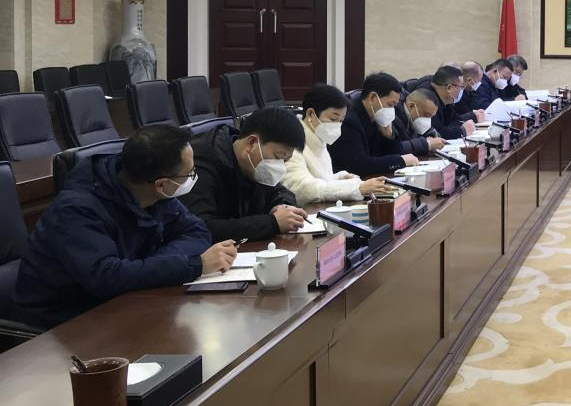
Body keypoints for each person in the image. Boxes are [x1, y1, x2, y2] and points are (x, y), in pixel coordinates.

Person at [14, 125, 234, 329]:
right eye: (190, 173)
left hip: (124, 302)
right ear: (161, 184)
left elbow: (197, 231)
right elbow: (106, 277)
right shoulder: (75, 210)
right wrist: (194, 265)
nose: (193, 178)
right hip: (63, 322)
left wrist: (152, 266)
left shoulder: (154, 193)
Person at [183, 106, 309, 241]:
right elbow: (203, 228)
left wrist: (283, 206)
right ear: (252, 143)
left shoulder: (254, 164)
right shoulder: (201, 164)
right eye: (278, 157)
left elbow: (280, 192)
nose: (280, 166)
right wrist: (272, 223)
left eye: (285, 161)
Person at [282, 85, 389, 206]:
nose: (337, 125)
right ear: (311, 114)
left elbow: (319, 179)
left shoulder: (318, 138)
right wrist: (356, 188)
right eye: (333, 119)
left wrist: (340, 177)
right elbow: (301, 189)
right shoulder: (292, 143)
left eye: (341, 120)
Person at [329, 73, 420, 177]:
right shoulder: (349, 120)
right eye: (390, 104)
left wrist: (388, 136)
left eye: (394, 106)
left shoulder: (378, 116)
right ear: (372, 98)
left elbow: (392, 153)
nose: (392, 110)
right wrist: (400, 160)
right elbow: (358, 164)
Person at [427, 65, 476, 139]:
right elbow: (435, 133)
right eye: (461, 87)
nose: (462, 91)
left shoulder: (445, 100)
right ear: (449, 88)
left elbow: (454, 119)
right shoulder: (429, 101)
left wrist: (471, 117)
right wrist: (461, 131)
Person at [401, 87, 445, 152]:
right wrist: (426, 144)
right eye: (426, 115)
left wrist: (434, 138)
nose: (427, 120)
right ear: (411, 106)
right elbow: (396, 148)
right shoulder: (394, 117)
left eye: (431, 117)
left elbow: (432, 134)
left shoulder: (413, 117)